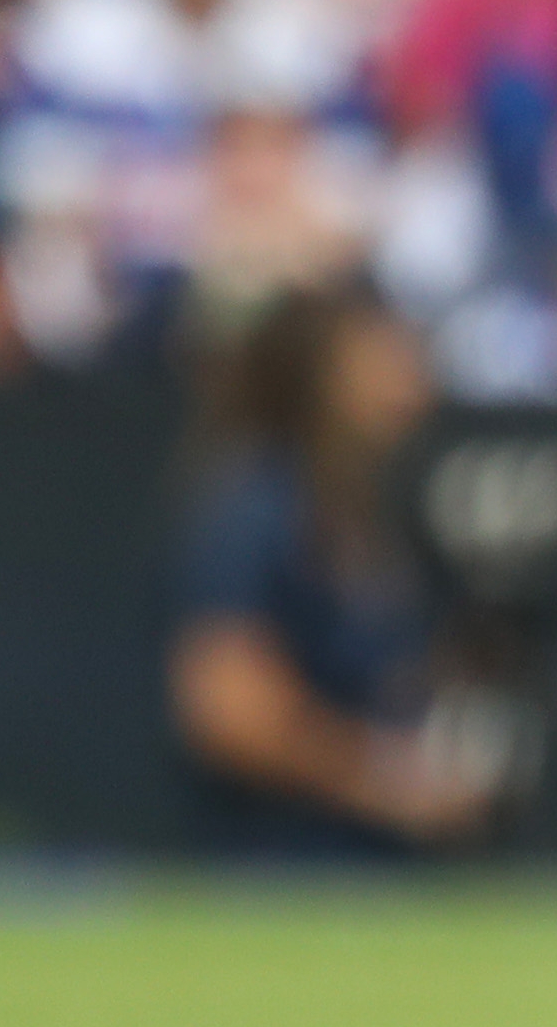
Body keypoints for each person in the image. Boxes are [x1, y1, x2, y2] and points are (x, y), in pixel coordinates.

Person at [169, 282, 486, 852]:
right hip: (275, 875)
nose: (412, 384)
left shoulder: (372, 509)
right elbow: (229, 707)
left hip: (373, 880)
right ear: (322, 378)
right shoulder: (259, 509)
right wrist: (389, 785)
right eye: (383, 360)